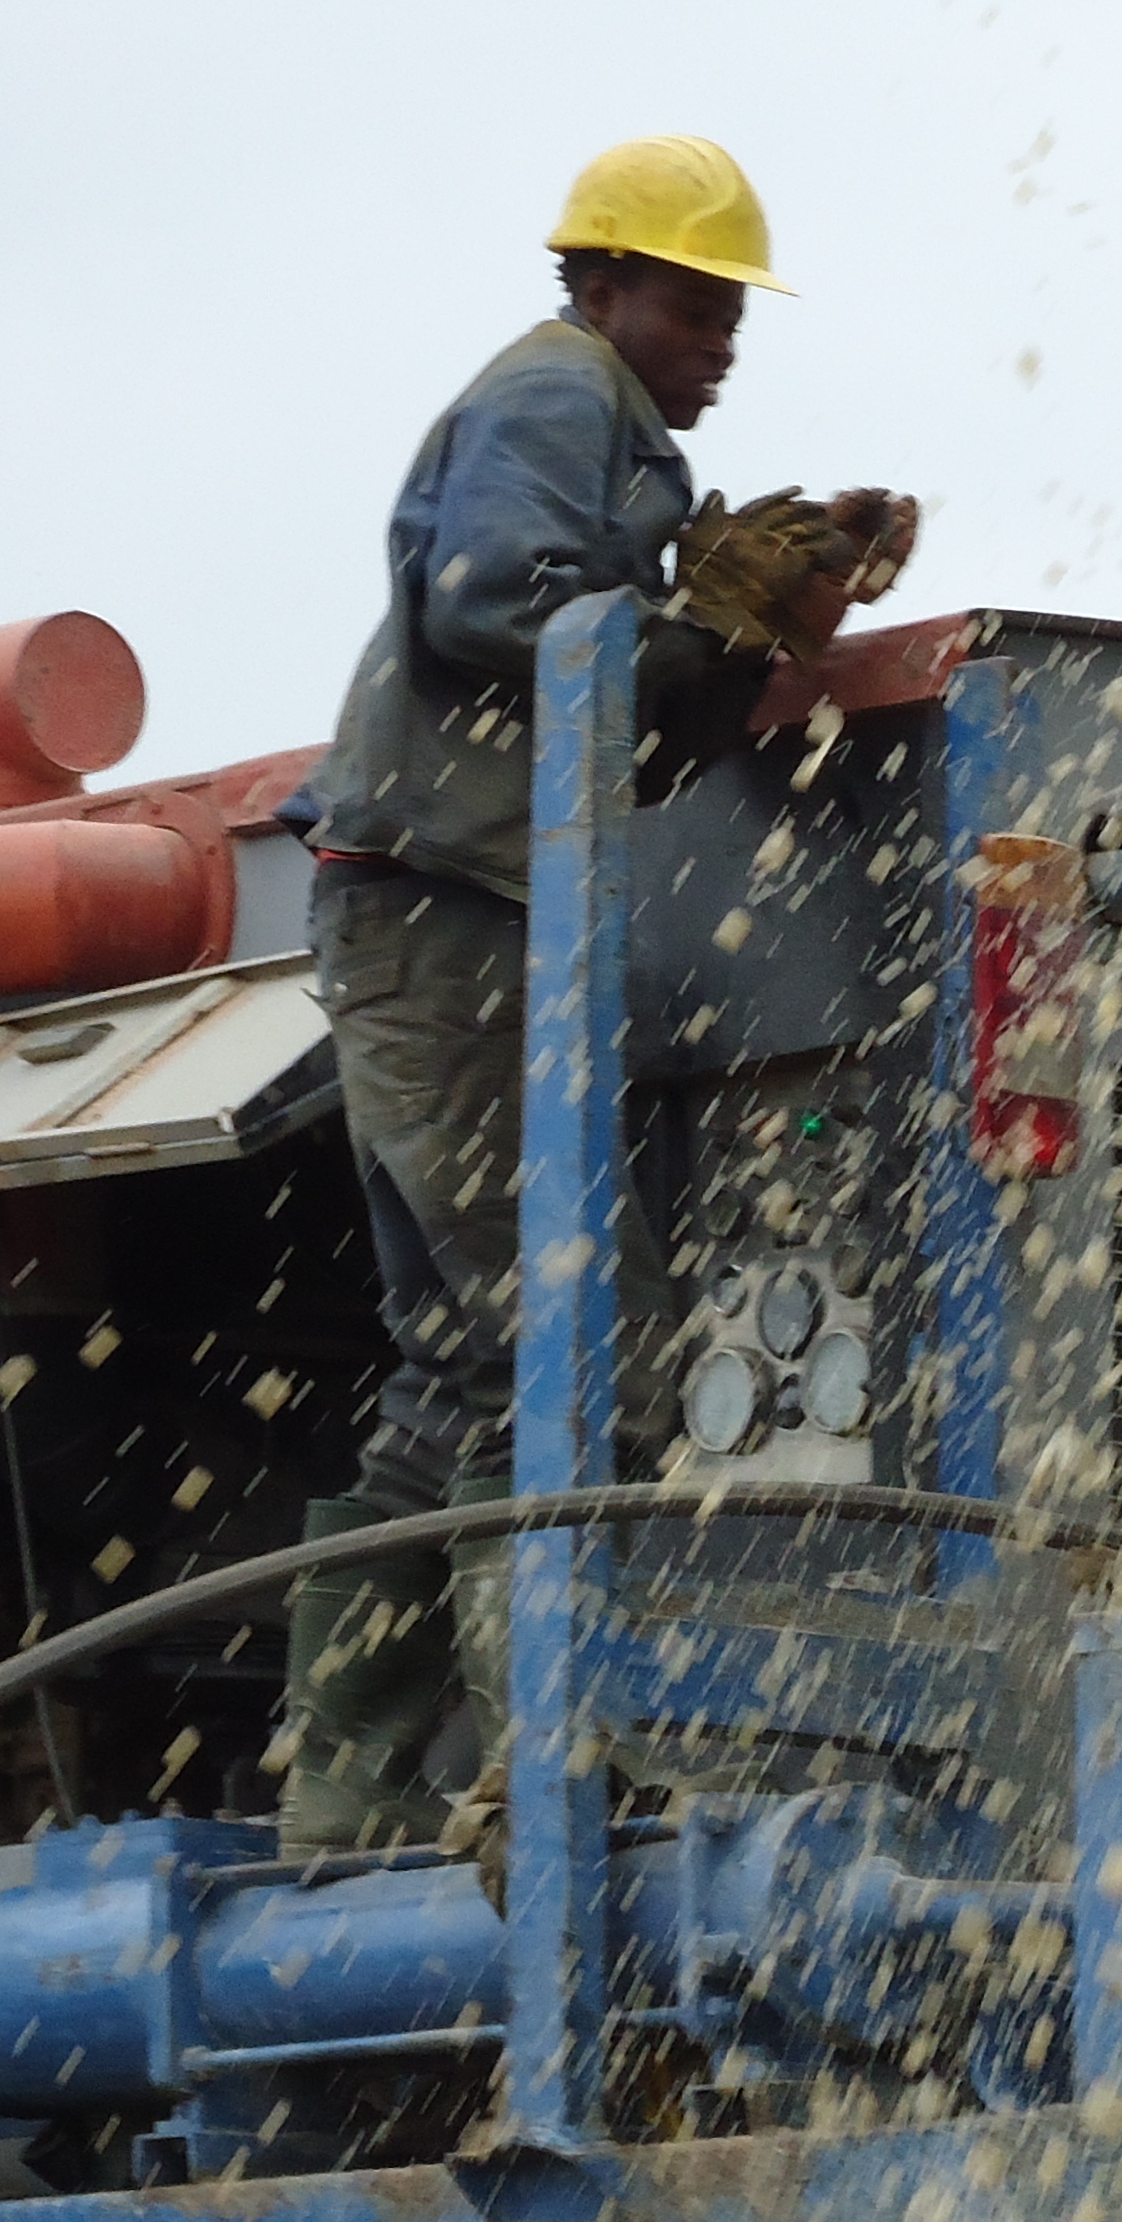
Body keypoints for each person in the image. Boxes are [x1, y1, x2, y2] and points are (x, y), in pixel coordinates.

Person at [272, 136, 918, 1853]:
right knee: (586, 1332)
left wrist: (762, 610)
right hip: (444, 918)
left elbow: (635, 717)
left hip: (435, 919)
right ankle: (547, 1767)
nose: (722, 341)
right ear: (605, 284)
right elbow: (500, 603)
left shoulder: (619, 443)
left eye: (733, 315)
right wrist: (686, 604)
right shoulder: (559, 397)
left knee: (461, 1375)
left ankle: (345, 1794)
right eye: (696, 307)